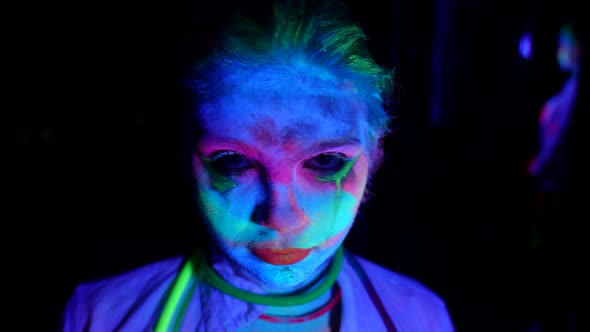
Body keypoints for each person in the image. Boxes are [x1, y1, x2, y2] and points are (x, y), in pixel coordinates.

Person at [61, 1, 456, 330]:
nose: (281, 219)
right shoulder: (99, 314)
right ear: (185, 155)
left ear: (377, 155)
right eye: (233, 161)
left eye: (326, 161)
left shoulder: (421, 316)